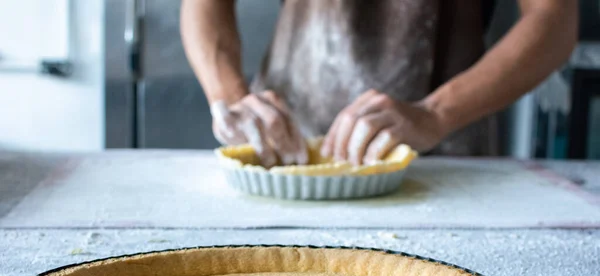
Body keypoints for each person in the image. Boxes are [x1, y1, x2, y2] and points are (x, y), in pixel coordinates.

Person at [181, 0, 577, 167]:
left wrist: (436, 113)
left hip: (446, 149)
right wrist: (230, 96)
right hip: (283, 148)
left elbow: (554, 18)